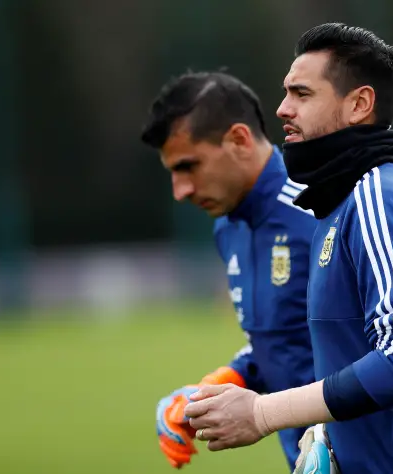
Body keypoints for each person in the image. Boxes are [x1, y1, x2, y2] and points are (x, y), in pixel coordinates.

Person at [183, 23, 393, 474]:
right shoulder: (337, 204)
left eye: (302, 94)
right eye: (285, 93)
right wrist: (342, 426)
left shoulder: (379, 198)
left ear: (359, 104)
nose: (282, 109)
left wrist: (262, 414)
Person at [140, 70, 318, 471]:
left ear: (238, 140)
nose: (180, 191)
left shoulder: (323, 206)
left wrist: (371, 429)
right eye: (172, 172)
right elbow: (289, 341)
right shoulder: (228, 227)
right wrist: (227, 380)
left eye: (189, 166)